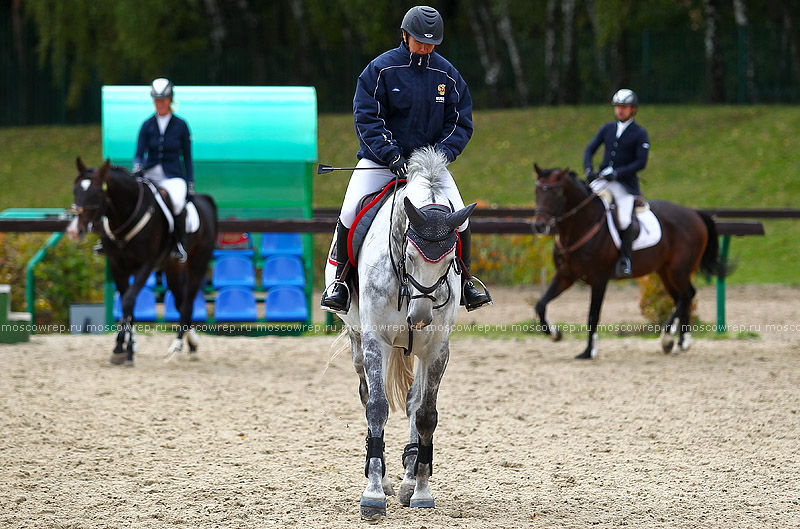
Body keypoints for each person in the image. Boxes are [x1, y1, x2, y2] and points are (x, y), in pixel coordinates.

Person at [321, 5, 491, 313]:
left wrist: (437, 157)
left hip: (428, 168)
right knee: (349, 212)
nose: (425, 48)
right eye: (419, 41)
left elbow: (460, 123)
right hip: (381, 163)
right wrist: (391, 155)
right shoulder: (380, 70)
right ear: (404, 35)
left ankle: (466, 283)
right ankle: (341, 283)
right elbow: (367, 117)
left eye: (430, 43)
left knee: (461, 218)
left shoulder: (448, 75)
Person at [583, 88, 650, 278]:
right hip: (602, 181)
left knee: (624, 219)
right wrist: (589, 170)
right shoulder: (607, 128)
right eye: (618, 107)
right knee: (585, 206)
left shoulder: (640, 133)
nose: (620, 111)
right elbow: (590, 149)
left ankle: (625, 259)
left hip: (624, 186)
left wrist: (618, 173)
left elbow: (641, 162)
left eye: (624, 107)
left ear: (633, 110)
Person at [133, 77, 194, 263]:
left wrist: (190, 182)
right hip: (150, 174)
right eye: (157, 100)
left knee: (176, 202)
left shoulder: (181, 126)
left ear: (170, 100)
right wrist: (138, 166)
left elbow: (187, 157)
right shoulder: (147, 125)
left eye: (163, 100)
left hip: (172, 175)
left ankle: (178, 243)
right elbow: (139, 153)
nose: (160, 103)